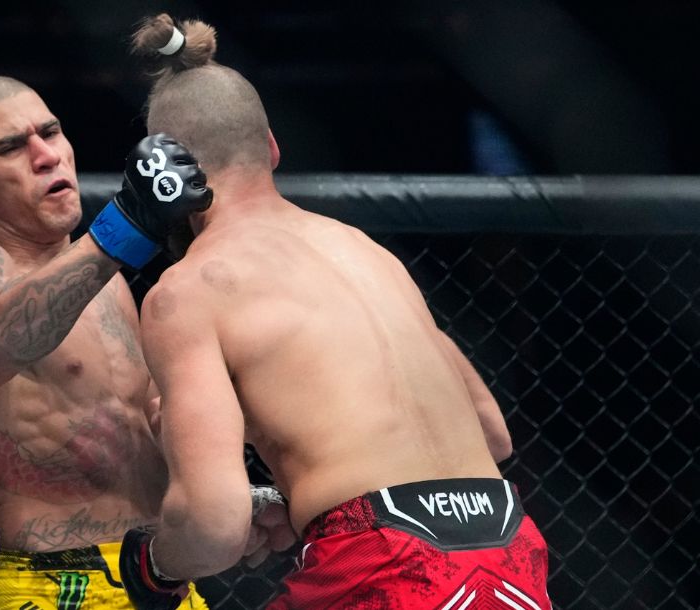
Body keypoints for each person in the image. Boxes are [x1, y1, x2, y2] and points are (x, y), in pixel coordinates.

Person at [116, 15, 552, 610]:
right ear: (272, 146)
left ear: (163, 171)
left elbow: (213, 524)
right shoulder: (369, 253)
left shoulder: (188, 291)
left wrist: (154, 565)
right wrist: (306, 491)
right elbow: (492, 434)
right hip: (508, 548)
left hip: (383, 561)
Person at [0, 75, 228, 609]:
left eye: (50, 132)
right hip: (54, 584)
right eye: (11, 147)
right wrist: (124, 229)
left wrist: (225, 486)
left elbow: (150, 421)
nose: (46, 156)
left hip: (159, 575)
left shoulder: (106, 280)